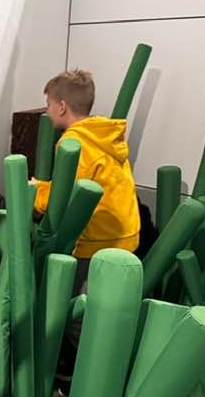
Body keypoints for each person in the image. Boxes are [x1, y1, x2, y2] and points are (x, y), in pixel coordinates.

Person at [35, 69, 140, 286]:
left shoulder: (72, 143)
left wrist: (35, 194)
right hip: (127, 234)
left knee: (78, 299)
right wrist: (44, 186)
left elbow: (66, 196)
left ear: (62, 107)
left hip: (98, 242)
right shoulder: (103, 134)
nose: (47, 111)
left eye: (48, 104)